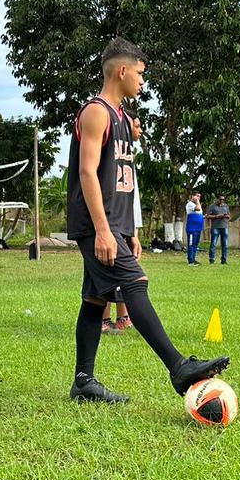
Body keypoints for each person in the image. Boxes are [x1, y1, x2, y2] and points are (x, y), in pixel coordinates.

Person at [66, 37, 228, 404]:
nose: (142, 81)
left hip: (115, 224)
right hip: (96, 224)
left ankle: (83, 382)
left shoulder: (123, 118)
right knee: (135, 282)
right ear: (122, 71)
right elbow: (88, 174)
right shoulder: (96, 112)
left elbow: (120, 177)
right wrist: (104, 231)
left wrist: (130, 230)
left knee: (95, 300)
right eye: (139, 74)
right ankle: (177, 367)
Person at [105, 117, 143, 335]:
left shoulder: (129, 156)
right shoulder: (112, 155)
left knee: (126, 275)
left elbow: (133, 199)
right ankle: (104, 319)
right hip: (113, 224)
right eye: (136, 126)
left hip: (128, 225)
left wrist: (135, 232)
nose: (139, 130)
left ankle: (123, 316)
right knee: (109, 271)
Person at [206, 195, 231, 264]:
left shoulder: (226, 206)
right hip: (215, 227)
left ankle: (224, 260)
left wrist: (226, 216)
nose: (221, 201)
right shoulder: (212, 206)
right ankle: (212, 260)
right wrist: (217, 216)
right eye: (220, 199)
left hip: (224, 227)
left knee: (225, 245)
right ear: (217, 199)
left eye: (223, 199)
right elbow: (207, 216)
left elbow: (229, 215)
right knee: (213, 244)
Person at [185, 192, 204, 265]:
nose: (198, 198)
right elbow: (198, 209)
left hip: (198, 228)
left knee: (195, 244)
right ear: (192, 196)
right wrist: (197, 201)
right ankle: (191, 261)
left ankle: (193, 258)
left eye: (199, 197)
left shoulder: (197, 204)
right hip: (192, 229)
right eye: (196, 196)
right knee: (191, 244)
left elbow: (199, 214)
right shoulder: (190, 204)